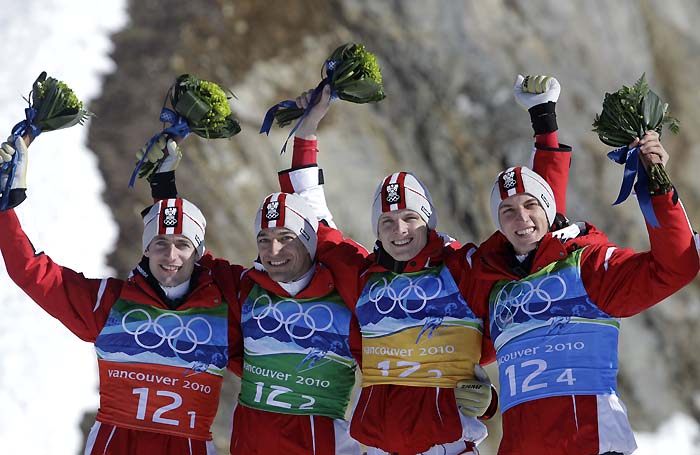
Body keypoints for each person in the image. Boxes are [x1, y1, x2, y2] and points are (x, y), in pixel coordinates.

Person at [277, 74, 571, 454]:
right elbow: (309, 214)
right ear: (377, 232)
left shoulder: (464, 268)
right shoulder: (362, 275)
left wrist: (543, 121)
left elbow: (537, 227)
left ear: (428, 221)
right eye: (387, 221)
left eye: (410, 218)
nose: (399, 230)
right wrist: (308, 131)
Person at [0, 134, 234, 454]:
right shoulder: (111, 304)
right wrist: (5, 211)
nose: (171, 256)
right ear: (146, 250)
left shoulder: (222, 312)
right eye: (160, 245)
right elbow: (32, 273)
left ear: (198, 253)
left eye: (183, 245)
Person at [472, 131, 699, 454]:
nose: (521, 218)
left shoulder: (588, 267)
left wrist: (656, 186)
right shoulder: (497, 290)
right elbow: (454, 353)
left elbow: (675, 268)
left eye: (530, 205)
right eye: (507, 211)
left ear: (548, 209)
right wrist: (483, 397)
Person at [144, 139, 365, 454]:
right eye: (265, 239)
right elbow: (181, 258)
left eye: (285, 238)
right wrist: (162, 185)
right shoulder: (246, 287)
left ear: (307, 242)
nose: (274, 251)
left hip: (322, 444)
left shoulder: (345, 296)